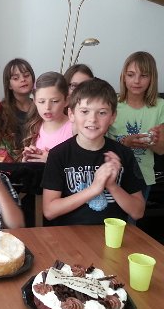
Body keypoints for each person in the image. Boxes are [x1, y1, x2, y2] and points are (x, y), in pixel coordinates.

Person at [42, 78, 145, 226]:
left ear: (113, 117)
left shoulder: (124, 154)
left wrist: (112, 186)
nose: (93, 119)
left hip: (111, 235)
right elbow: (49, 211)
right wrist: (94, 189)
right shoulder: (58, 155)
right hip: (69, 235)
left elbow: (138, 212)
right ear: (71, 114)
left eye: (102, 113)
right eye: (84, 111)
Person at [108, 51, 164, 201]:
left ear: (152, 78)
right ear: (123, 77)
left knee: (134, 216)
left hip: (143, 177)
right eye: (131, 75)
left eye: (144, 75)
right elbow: (100, 144)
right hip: (113, 174)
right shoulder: (111, 103)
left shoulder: (160, 106)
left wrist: (153, 141)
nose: (137, 81)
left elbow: (161, 150)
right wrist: (124, 143)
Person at [22, 71, 73, 163]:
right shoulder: (35, 126)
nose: (47, 107)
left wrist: (52, 160)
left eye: (55, 101)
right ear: (35, 101)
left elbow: (82, 165)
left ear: (66, 101)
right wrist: (29, 159)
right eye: (41, 101)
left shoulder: (74, 128)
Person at [2, 58, 35, 144]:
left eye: (26, 75)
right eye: (16, 78)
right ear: (9, 85)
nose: (23, 79)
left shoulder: (40, 106)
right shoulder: (2, 110)